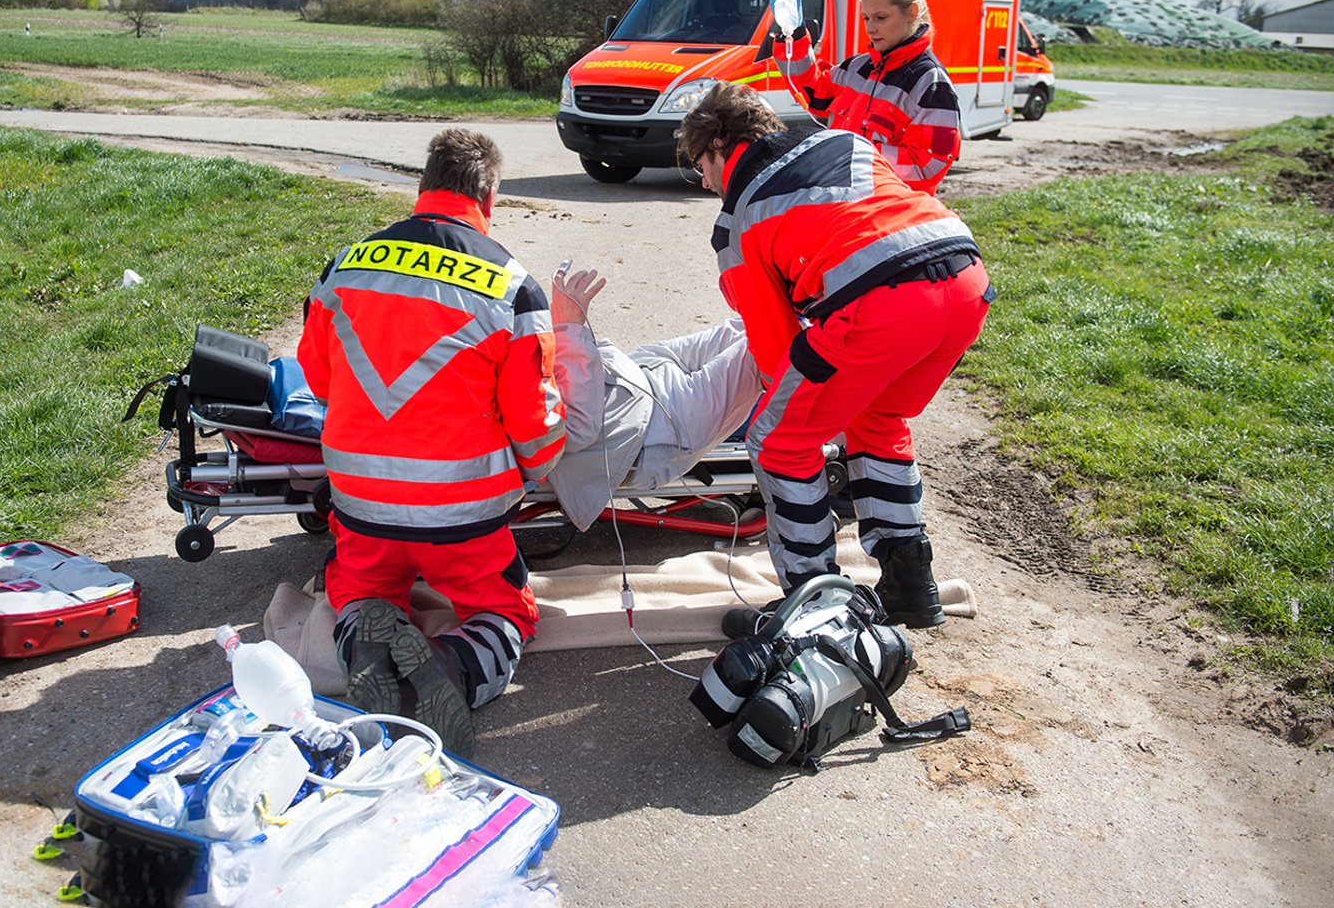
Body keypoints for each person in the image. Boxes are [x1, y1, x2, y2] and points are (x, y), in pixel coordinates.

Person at [676, 82, 992, 633]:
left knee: (778, 440)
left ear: (722, 146)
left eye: (700, 162)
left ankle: (812, 605)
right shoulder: (843, 141)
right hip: (965, 285)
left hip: (882, 306)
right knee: (878, 419)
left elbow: (776, 348)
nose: (703, 179)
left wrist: (792, 410)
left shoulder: (739, 219)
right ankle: (911, 585)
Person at [296, 128, 565, 755]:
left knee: (360, 590)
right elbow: (535, 422)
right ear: (488, 197)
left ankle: (368, 643)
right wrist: (532, 473)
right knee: (505, 610)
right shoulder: (512, 286)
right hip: (463, 517)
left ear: (422, 188)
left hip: (361, 506)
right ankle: (454, 668)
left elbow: (316, 377)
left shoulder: (346, 264)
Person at [544, 265, 762, 528]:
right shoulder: (501, 410)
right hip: (653, 431)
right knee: (764, 341)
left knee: (752, 321)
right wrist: (569, 328)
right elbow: (578, 428)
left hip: (637, 374)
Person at [772, 0, 965, 193]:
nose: (870, 28)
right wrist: (793, 35)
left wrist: (853, 156)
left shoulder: (930, 82)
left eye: (881, 18)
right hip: (843, 204)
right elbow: (813, 91)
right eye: (865, 18)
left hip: (892, 216)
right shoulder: (859, 67)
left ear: (912, 12)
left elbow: (927, 167)